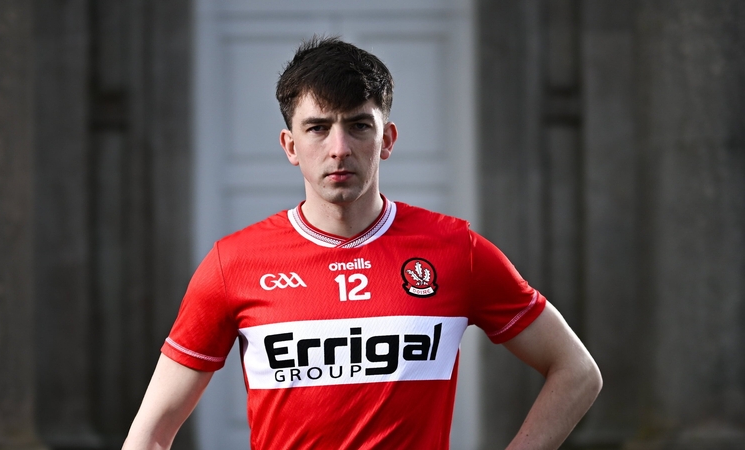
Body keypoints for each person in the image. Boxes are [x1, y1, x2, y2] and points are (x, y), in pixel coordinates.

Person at [123, 36, 602, 450]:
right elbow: (150, 434)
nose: (339, 148)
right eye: (317, 128)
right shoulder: (234, 264)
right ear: (290, 146)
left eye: (358, 125)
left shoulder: (457, 250)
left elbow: (576, 371)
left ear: (387, 139)